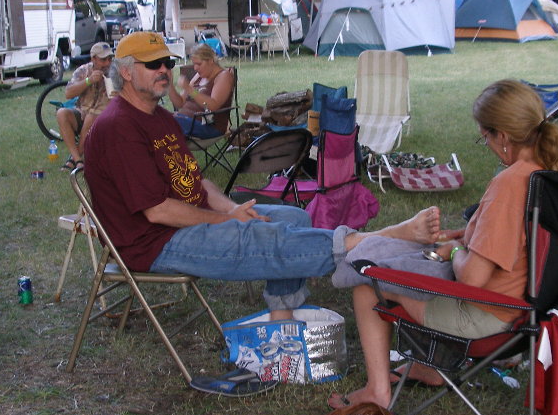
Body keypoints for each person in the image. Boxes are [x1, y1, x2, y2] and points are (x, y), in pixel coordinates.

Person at [83, 31, 442, 322]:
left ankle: (281, 315)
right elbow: (158, 211)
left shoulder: (160, 118)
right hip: (153, 242)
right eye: (153, 64)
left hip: (186, 220)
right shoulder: (118, 127)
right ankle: (375, 240)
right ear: (126, 72)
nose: (164, 70)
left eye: (167, 62)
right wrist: (227, 219)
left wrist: (231, 209)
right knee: (263, 235)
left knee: (293, 216)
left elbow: (197, 182)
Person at [327, 79, 558, 410]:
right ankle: (428, 367)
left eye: (485, 137)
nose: (487, 144)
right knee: (417, 267)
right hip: (528, 308)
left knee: (368, 284)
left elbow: (472, 278)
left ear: (503, 136)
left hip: (489, 318)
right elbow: (518, 240)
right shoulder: (552, 172)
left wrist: (455, 250)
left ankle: (377, 391)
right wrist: (464, 236)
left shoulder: (511, 184)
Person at [56, 42, 114, 170]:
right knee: (62, 113)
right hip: (82, 112)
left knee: (91, 117)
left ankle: (74, 159)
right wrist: (89, 80)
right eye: (103, 60)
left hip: (106, 118)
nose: (107, 63)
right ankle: (77, 158)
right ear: (93, 59)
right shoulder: (83, 70)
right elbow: (68, 93)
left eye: (110, 59)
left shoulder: (117, 72)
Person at [168, 44, 234, 139]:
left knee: (166, 122)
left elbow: (213, 106)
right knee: (156, 116)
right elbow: (180, 103)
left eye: (199, 64)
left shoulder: (223, 76)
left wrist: (189, 89)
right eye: (194, 64)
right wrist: (169, 85)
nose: (195, 68)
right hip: (185, 121)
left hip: (208, 126)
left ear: (211, 60)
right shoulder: (199, 76)